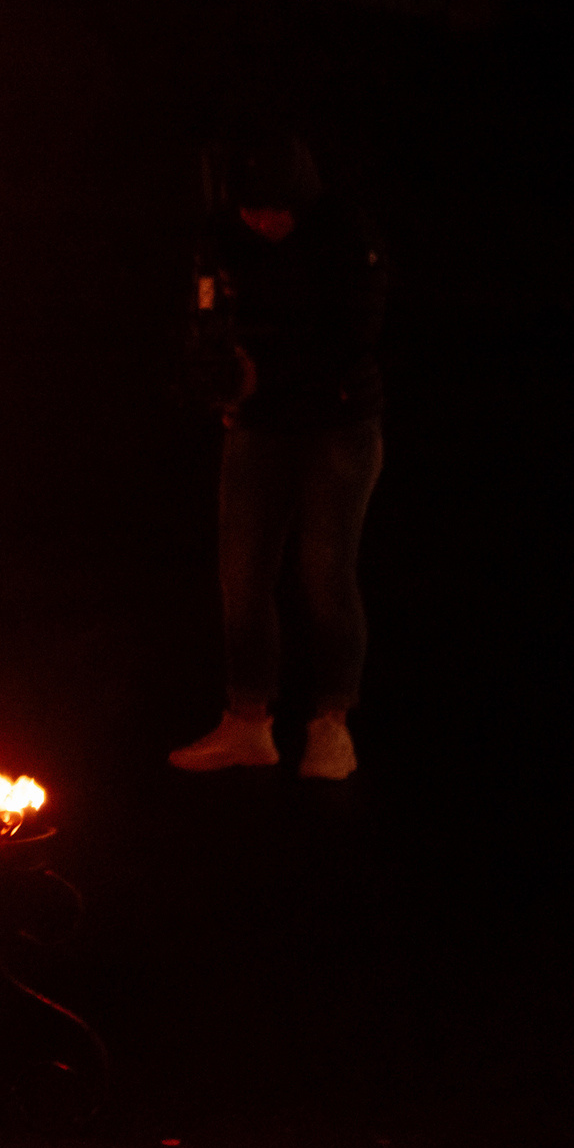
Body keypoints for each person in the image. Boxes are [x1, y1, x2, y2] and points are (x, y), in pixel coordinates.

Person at [171, 132, 387, 781]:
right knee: (242, 576)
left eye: (275, 209)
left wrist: (271, 372)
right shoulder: (225, 237)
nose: (262, 220)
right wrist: (214, 375)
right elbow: (207, 317)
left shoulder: (346, 236)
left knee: (325, 573)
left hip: (336, 425)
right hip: (258, 425)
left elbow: (355, 338)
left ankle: (331, 725)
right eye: (251, 208)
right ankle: (248, 722)